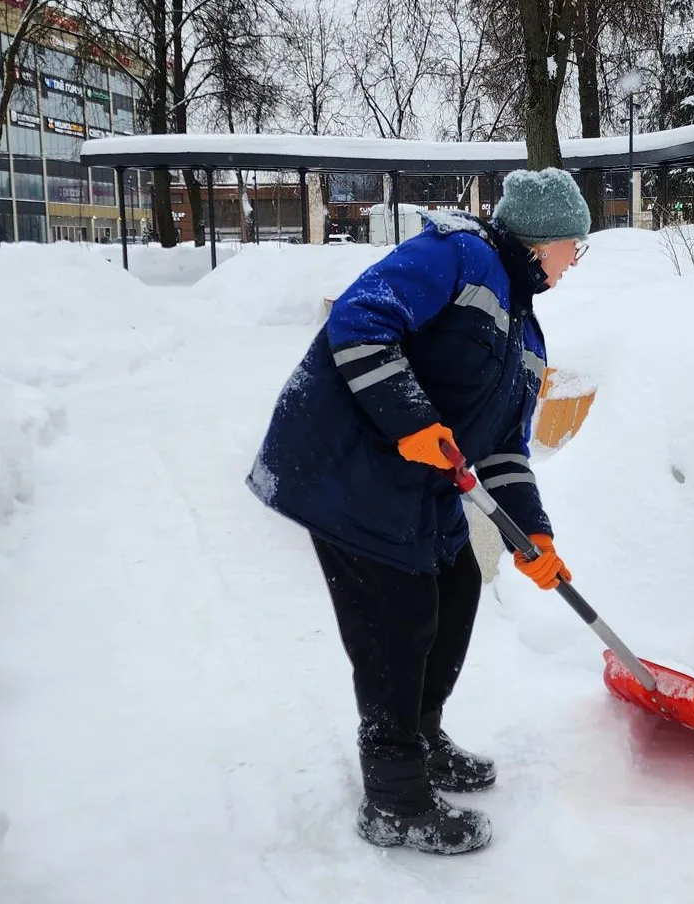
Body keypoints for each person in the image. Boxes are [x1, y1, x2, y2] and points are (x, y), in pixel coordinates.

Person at [245, 167, 590, 856]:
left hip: (415, 483)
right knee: (396, 625)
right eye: (574, 246)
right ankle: (395, 797)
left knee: (457, 588)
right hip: (348, 467)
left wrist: (534, 536)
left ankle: (423, 736)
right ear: (544, 238)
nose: (576, 260)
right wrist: (407, 417)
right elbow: (359, 319)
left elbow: (502, 454)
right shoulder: (456, 253)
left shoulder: (528, 334)